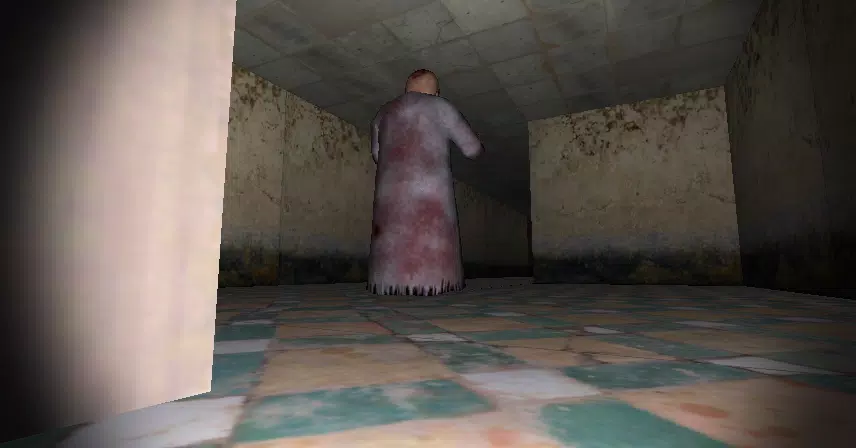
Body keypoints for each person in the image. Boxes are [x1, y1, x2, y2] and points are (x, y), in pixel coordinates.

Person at [367, 69, 484, 296]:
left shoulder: (383, 113)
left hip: (389, 200)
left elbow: (377, 155)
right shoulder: (441, 107)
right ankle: (437, 284)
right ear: (436, 92)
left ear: (406, 89)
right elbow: (472, 149)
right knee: (433, 247)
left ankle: (385, 283)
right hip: (433, 198)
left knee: (389, 250)